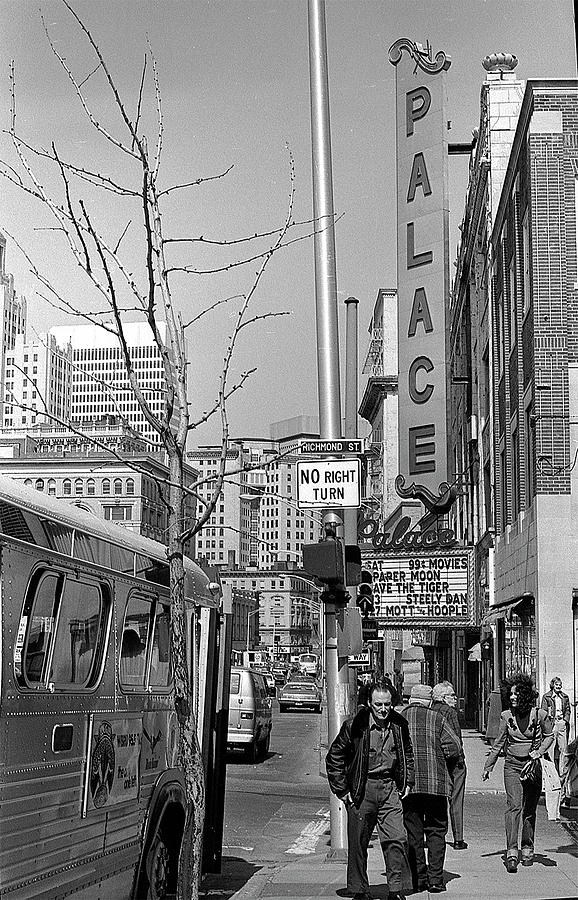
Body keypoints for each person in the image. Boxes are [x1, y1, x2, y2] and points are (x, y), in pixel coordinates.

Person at [326, 677, 414, 900]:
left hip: (389, 788)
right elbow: (335, 756)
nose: (384, 709)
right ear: (369, 704)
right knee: (358, 843)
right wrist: (342, 791)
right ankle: (359, 889)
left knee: (397, 838)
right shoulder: (355, 725)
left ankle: (395, 890)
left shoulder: (399, 725)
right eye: (378, 705)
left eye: (387, 704)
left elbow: (408, 755)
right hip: (362, 790)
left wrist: (408, 781)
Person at [482, 673, 554, 872]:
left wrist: (539, 751)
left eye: (515, 694)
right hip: (512, 765)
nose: (512, 697)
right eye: (510, 694)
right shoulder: (506, 716)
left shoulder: (540, 715)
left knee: (529, 809)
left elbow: (550, 736)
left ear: (524, 695)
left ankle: (528, 847)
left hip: (533, 766)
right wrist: (489, 766)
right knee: (514, 807)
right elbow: (499, 743)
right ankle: (512, 851)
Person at [401, 684, 462, 894]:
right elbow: (454, 747)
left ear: (410, 700)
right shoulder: (437, 718)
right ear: (428, 701)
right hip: (436, 784)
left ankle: (418, 879)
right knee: (436, 831)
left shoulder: (398, 719)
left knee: (413, 832)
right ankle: (436, 880)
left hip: (408, 786)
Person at [432, 681, 468, 850]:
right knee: (456, 799)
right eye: (452, 695)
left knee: (436, 799)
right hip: (454, 761)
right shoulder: (450, 712)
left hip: (437, 760)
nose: (455, 698)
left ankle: (434, 835)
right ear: (444, 697)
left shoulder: (431, 711)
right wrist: (461, 760)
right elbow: (456, 740)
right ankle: (458, 839)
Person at [541, 677, 571, 774]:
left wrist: (565, 721)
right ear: (553, 685)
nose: (559, 686)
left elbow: (567, 710)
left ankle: (562, 772)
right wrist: (547, 725)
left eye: (560, 685)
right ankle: (552, 772)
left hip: (561, 724)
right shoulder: (547, 697)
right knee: (550, 749)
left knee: (563, 749)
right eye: (557, 684)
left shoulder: (564, 697)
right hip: (552, 725)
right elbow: (543, 712)